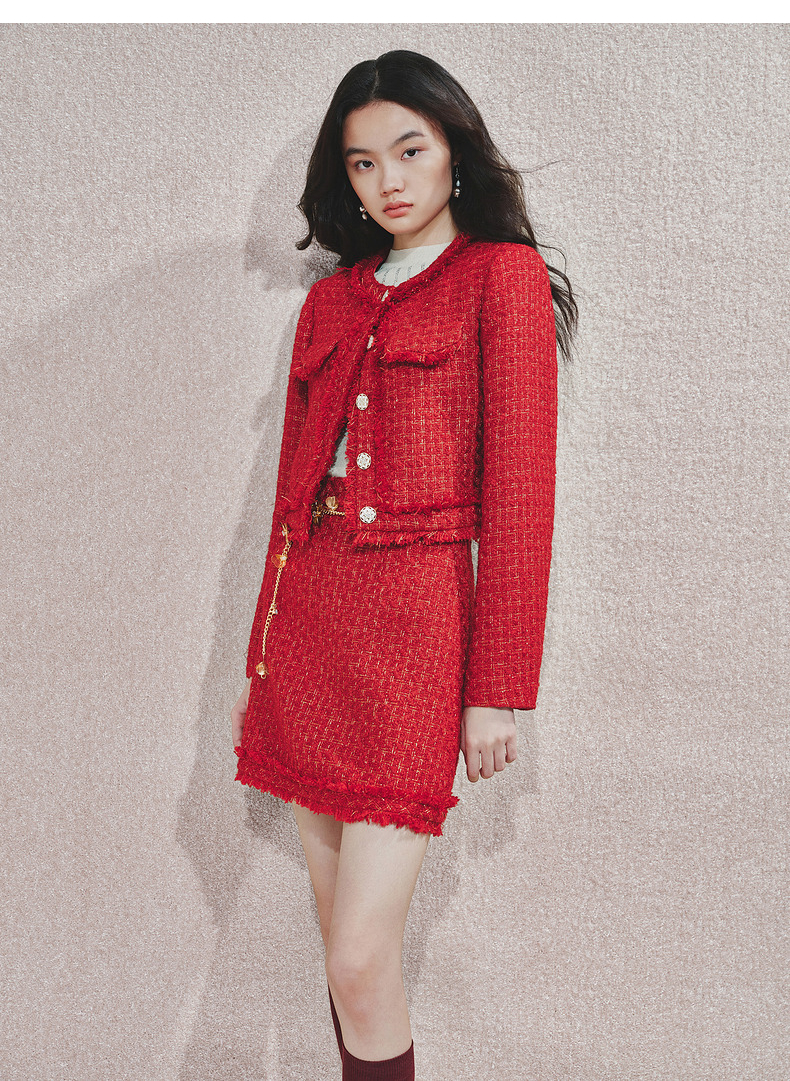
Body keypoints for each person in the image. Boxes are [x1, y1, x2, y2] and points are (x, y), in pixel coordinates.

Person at [230, 49, 577, 1081]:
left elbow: (521, 495)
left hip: (418, 626)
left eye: (409, 150)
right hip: (313, 621)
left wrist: (495, 689)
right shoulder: (331, 301)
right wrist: (260, 657)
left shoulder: (500, 277)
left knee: (359, 951)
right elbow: (289, 503)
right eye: (362, 161)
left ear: (455, 152)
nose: (387, 179)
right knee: (345, 965)